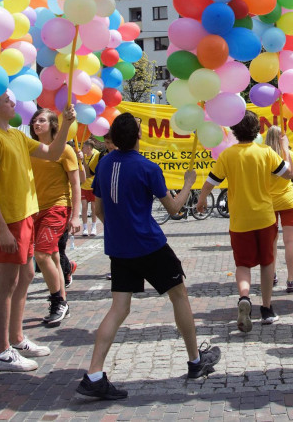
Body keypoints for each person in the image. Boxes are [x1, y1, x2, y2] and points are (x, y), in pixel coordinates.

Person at [78, 113, 221, 400]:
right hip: (149, 245)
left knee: (119, 308)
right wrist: (187, 183)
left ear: (114, 139)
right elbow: (174, 209)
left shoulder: (104, 164)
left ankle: (94, 373)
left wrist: (119, 230)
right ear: (138, 138)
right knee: (179, 294)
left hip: (119, 248)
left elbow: (98, 211)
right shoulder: (147, 167)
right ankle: (195, 362)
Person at [0, 92, 76, 372]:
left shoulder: (16, 136)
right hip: (10, 220)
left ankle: (17, 338)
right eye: (7, 101)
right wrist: (3, 228)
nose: (13, 103)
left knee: (27, 274)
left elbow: (53, 153)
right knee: (7, 283)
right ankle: (1, 351)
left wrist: (66, 124)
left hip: (27, 215)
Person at [199, 111, 292, 332]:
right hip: (265, 217)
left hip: (240, 220)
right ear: (257, 131)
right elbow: (288, 175)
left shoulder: (228, 155)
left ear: (234, 132)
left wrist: (201, 201)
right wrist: (285, 150)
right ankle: (267, 309)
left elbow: (210, 182)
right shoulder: (266, 152)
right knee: (267, 263)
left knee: (243, 264)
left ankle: (244, 297)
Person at [29, 109, 81, 327]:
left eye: (41, 120)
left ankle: (57, 301)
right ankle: (63, 302)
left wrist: (76, 215)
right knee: (53, 257)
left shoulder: (65, 150)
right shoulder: (30, 149)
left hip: (58, 207)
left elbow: (75, 183)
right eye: (34, 121)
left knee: (41, 255)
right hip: (34, 209)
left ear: (52, 124)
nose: (36, 124)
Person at [264, 126, 293, 293]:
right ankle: (291, 280)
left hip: (269, 203)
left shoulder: (264, 157)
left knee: (272, 242)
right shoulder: (290, 155)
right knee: (289, 241)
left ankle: (271, 275)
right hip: (288, 201)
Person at [79, 139, 104, 237]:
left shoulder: (97, 154)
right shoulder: (82, 156)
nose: (82, 149)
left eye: (83, 147)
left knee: (94, 208)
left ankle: (93, 227)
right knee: (84, 207)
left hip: (93, 186)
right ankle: (85, 228)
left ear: (89, 147)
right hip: (84, 185)